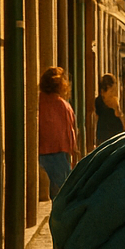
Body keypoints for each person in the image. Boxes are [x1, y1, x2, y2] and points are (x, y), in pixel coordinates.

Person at [37, 67, 80, 199]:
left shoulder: (36, 103)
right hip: (59, 154)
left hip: (40, 153)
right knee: (62, 193)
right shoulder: (64, 106)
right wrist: (74, 151)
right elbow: (69, 132)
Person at [94, 74, 124, 147]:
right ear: (103, 91)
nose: (114, 94)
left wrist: (117, 108)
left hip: (116, 138)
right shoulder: (98, 103)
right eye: (111, 91)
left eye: (115, 91)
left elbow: (121, 122)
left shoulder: (115, 102)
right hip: (103, 139)